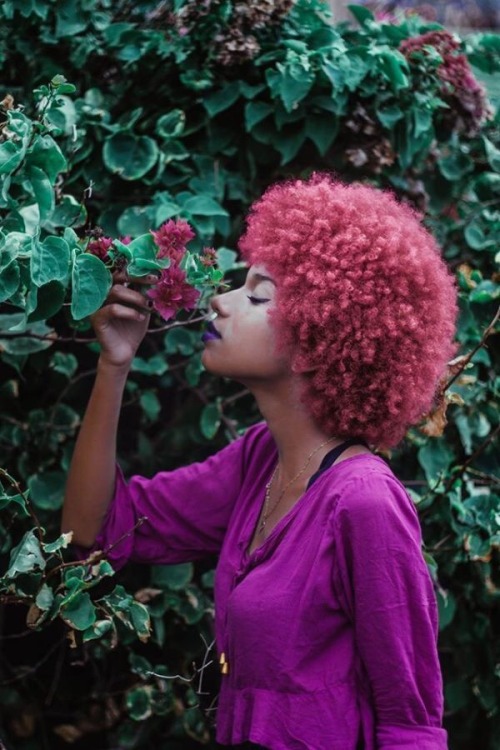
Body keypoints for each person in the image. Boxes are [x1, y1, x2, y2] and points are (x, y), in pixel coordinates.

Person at [62, 174, 457, 750]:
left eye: (255, 294)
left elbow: (410, 725)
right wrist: (114, 366)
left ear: (321, 333)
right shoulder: (258, 462)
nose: (219, 301)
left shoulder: (366, 502)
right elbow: (92, 531)